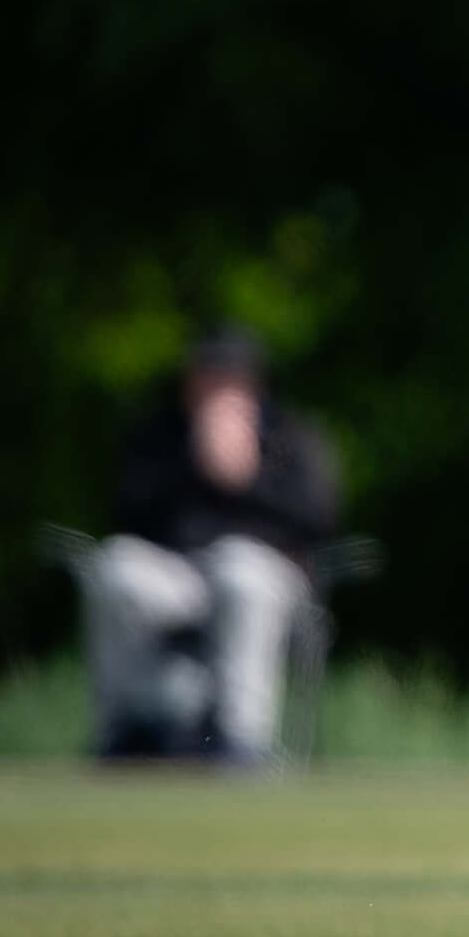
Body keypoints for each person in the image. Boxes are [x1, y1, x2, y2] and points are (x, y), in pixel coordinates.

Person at [80, 324, 341, 765]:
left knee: (239, 572)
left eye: (230, 379)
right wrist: (194, 461)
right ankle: (133, 731)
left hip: (264, 579)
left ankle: (240, 739)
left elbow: (319, 519)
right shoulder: (161, 437)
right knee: (113, 569)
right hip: (177, 574)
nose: (217, 389)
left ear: (255, 386)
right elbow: (123, 511)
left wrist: (246, 476)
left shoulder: (291, 438)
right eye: (207, 377)